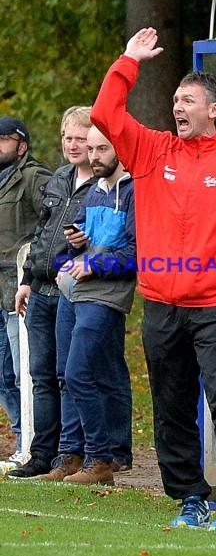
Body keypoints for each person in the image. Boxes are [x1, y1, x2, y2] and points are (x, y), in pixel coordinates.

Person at [91, 27, 216, 530]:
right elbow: (105, 116)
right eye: (176, 100)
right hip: (161, 302)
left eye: (188, 100)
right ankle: (190, 498)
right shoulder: (151, 150)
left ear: (214, 109)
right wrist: (128, 61)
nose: (177, 107)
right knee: (172, 404)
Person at [37, 125, 136, 485]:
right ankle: (70, 455)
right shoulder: (95, 190)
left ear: (121, 150)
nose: (93, 157)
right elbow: (89, 245)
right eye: (90, 149)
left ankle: (101, 459)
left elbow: (134, 255)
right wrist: (78, 245)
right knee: (65, 375)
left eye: (102, 149)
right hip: (74, 293)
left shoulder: (134, 192)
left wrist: (92, 263)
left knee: (81, 373)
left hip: (105, 295)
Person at [6, 107, 96, 479]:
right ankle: (42, 452)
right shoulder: (59, 178)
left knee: (67, 374)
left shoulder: (106, 185)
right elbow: (40, 235)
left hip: (71, 290)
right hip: (39, 288)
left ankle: (71, 453)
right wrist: (26, 279)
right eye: (67, 137)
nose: (72, 145)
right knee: (40, 374)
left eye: (80, 138)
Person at [0, 116, 51, 463]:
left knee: (25, 371)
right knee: (3, 375)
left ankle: (33, 444)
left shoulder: (35, 177)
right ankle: (24, 439)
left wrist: (31, 273)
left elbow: (52, 224)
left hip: (20, 287)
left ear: (21, 143)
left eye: (3, 139)